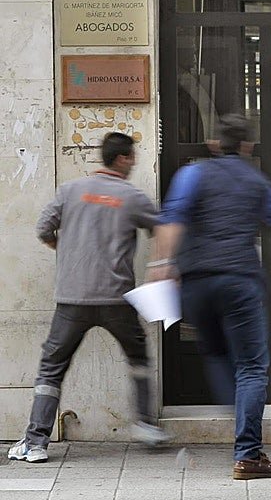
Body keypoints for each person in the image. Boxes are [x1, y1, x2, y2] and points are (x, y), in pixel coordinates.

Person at [8, 132, 171, 464]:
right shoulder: (131, 196)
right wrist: (160, 267)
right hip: (116, 300)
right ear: (122, 159)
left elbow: (43, 229)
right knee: (138, 358)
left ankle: (36, 442)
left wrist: (65, 250)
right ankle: (145, 424)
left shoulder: (70, 191)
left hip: (72, 299)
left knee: (51, 369)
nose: (134, 162)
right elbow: (164, 229)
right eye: (132, 156)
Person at [148, 113, 271, 480]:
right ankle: (248, 454)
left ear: (215, 144)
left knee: (215, 352)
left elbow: (172, 220)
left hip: (197, 284)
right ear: (247, 146)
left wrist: (162, 265)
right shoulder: (255, 180)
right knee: (252, 367)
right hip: (239, 282)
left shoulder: (193, 174)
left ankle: (238, 410)